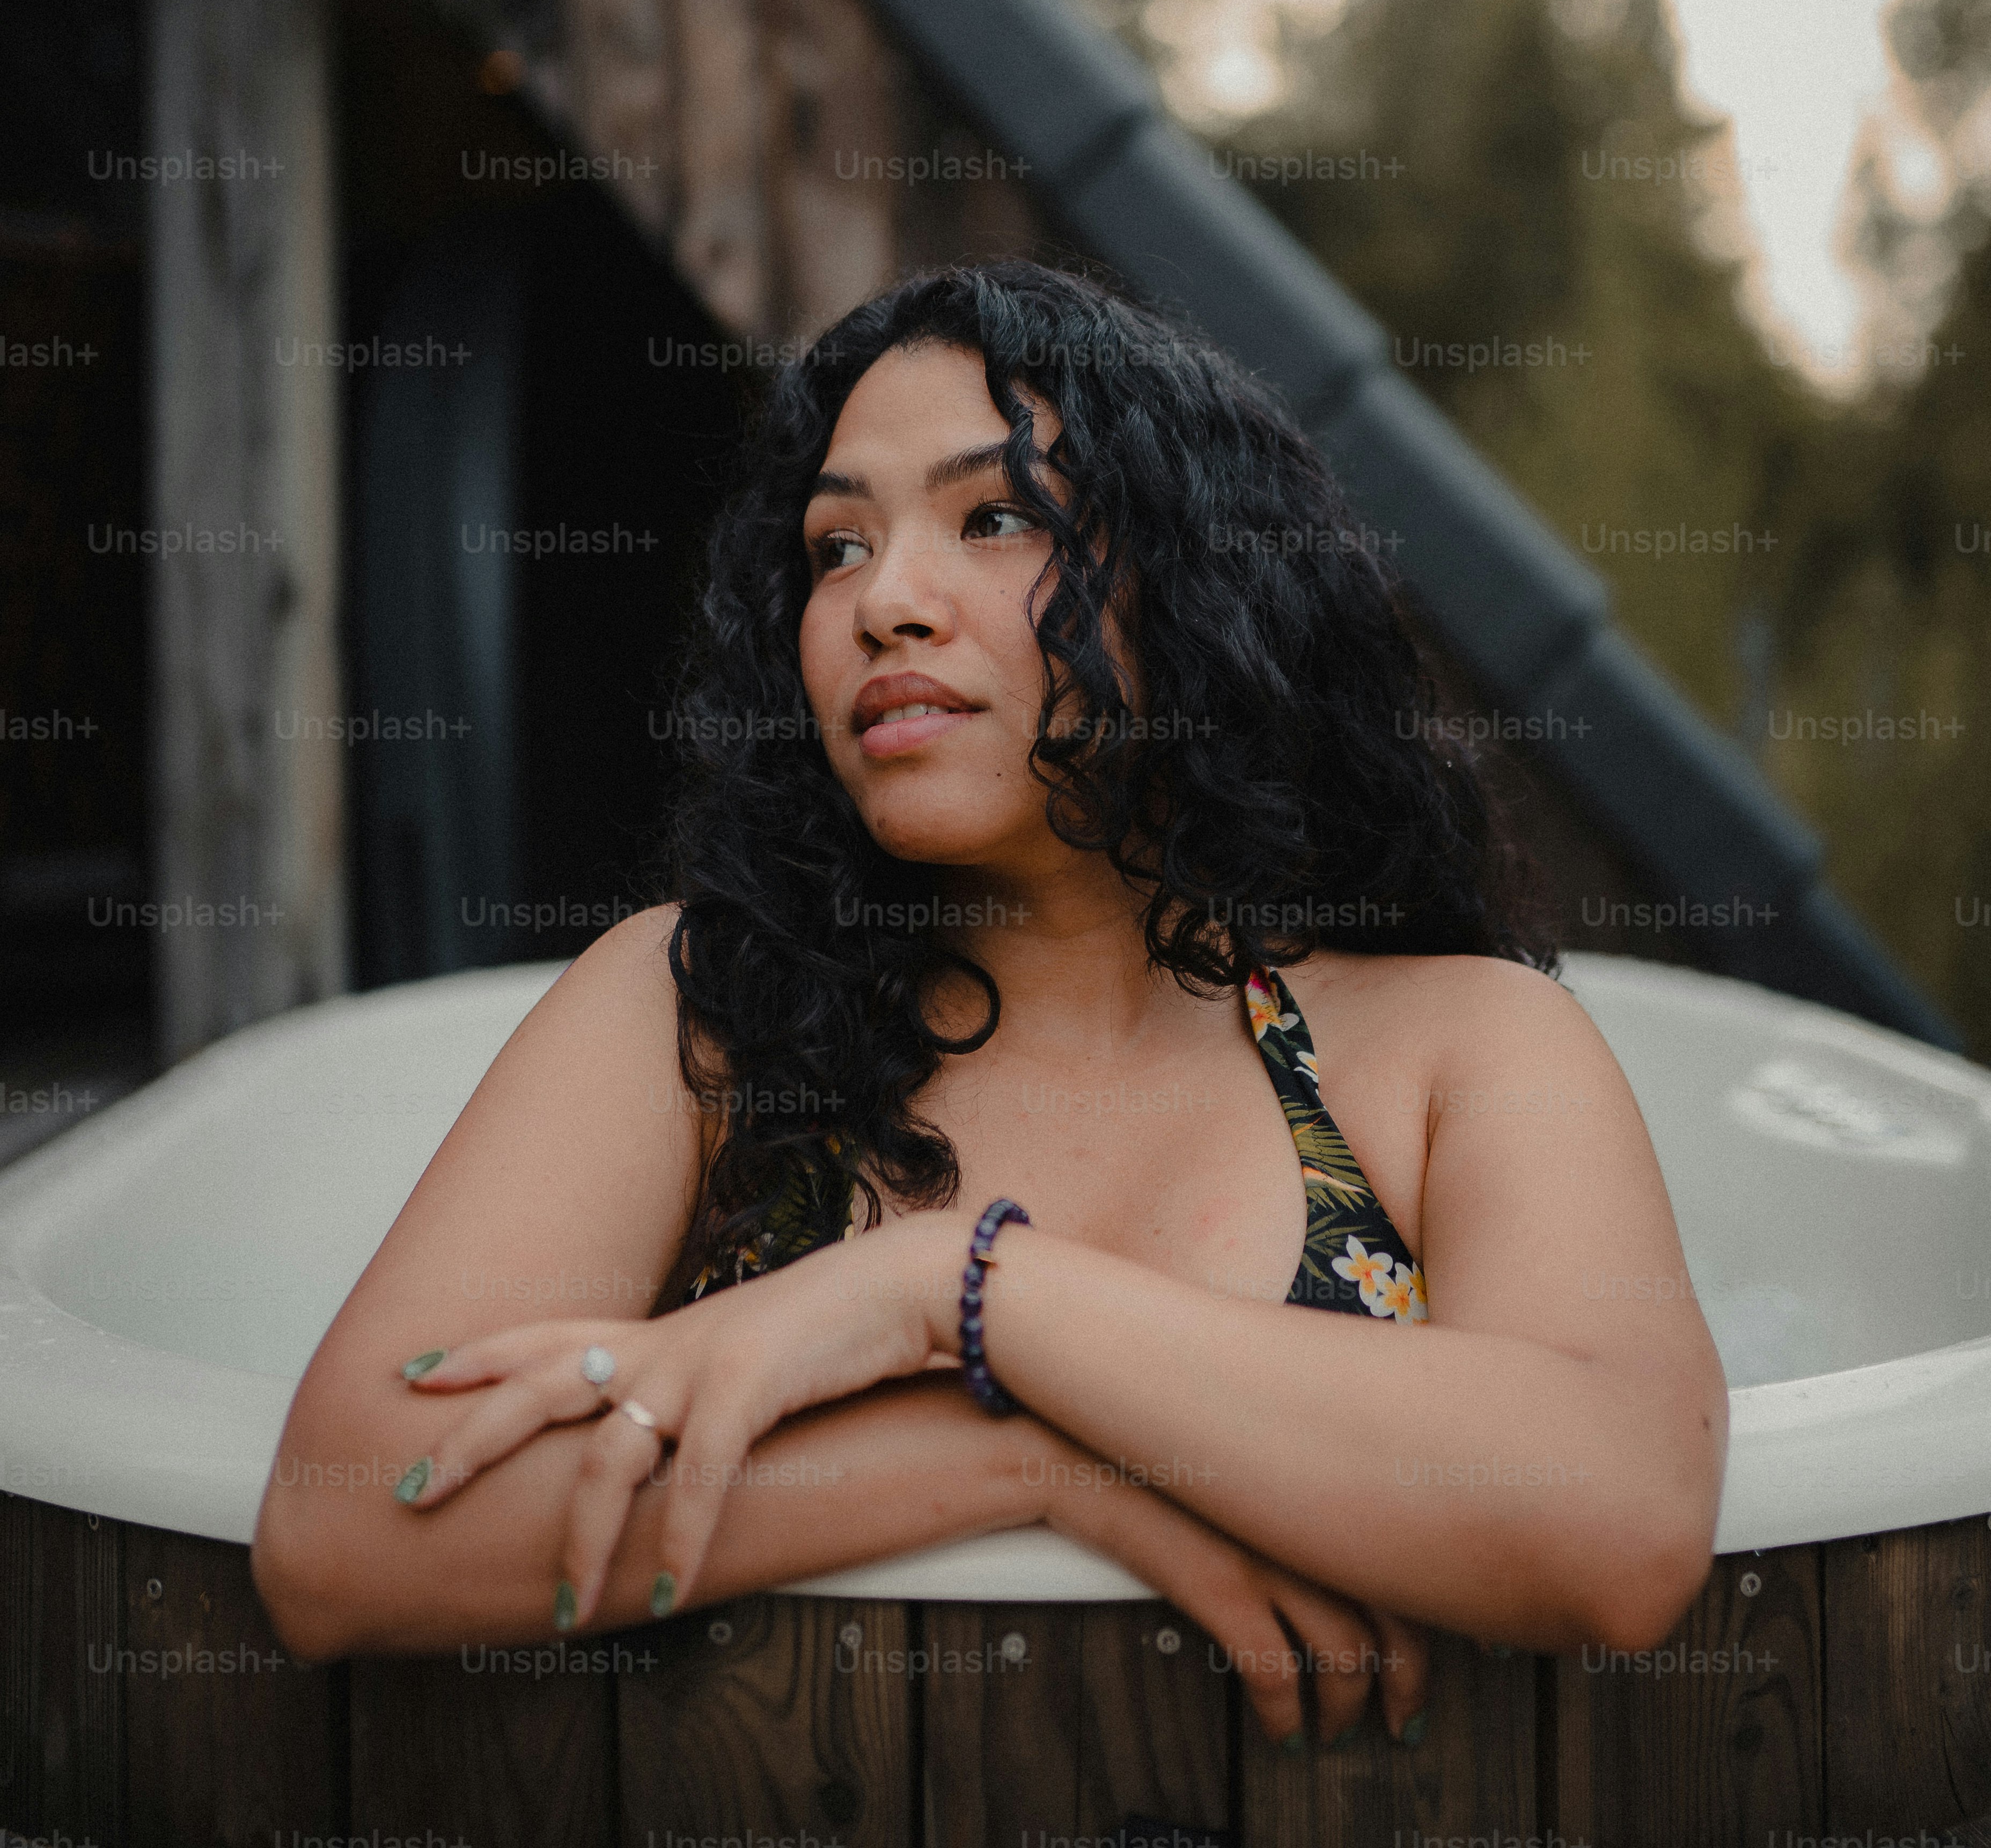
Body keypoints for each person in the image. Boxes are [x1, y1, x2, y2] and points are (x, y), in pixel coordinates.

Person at [252, 259, 1726, 1752]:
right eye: (838, 547)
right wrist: (1030, 1458)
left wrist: (952, 1292)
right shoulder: (696, 1014)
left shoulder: (1452, 1046)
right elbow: (346, 1538)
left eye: (995, 516)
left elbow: (1623, 1523)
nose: (886, 601)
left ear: (1191, 580)